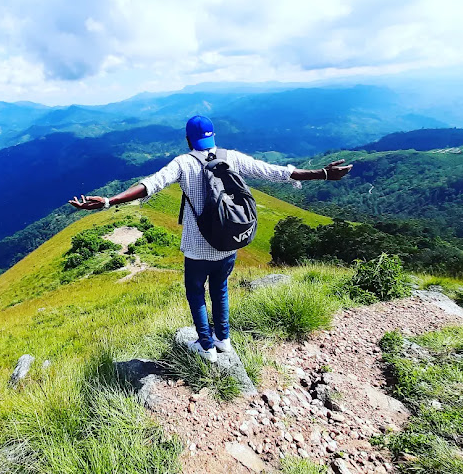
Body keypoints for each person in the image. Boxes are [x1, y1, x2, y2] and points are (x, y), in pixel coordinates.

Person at [69, 115, 352, 362]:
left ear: (187, 139)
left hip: (197, 246)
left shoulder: (183, 162)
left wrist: (109, 201)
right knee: (220, 289)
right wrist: (324, 174)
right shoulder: (232, 157)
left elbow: (149, 185)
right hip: (229, 240)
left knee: (196, 292)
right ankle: (223, 340)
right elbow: (276, 172)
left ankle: (205, 346)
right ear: (214, 136)